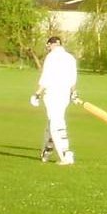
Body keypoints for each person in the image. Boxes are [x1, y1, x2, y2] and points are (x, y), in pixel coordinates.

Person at [34, 35, 79, 165]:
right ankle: (46, 152)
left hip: (53, 94)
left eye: (48, 46)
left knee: (57, 123)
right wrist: (73, 92)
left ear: (50, 45)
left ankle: (66, 155)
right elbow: (73, 78)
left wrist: (37, 93)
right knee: (52, 121)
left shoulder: (51, 57)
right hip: (65, 94)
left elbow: (46, 77)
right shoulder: (70, 58)